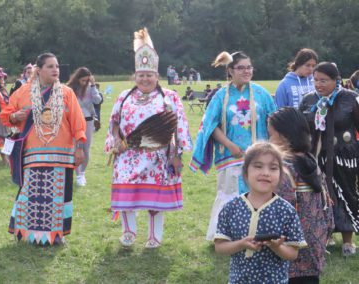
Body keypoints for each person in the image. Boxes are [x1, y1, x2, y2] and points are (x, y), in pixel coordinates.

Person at [104, 28, 192, 248]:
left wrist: (176, 155)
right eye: (141, 75)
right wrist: (115, 140)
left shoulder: (168, 97)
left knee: (155, 201)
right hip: (127, 155)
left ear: (157, 76)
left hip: (158, 157)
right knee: (125, 195)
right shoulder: (124, 97)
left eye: (149, 75)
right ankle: (128, 232)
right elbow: (114, 121)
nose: (145, 79)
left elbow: (178, 127)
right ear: (135, 76)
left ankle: (154, 236)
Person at [0, 52, 86, 245]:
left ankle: (56, 237)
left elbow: (78, 122)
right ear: (39, 70)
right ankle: (26, 233)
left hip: (62, 154)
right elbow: (6, 114)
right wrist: (15, 117)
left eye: (57, 66)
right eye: (50, 66)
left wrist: (79, 147)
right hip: (33, 153)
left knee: (58, 196)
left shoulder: (66, 92)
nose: (55, 69)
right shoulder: (23, 92)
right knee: (31, 194)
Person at [190, 51, 276, 241]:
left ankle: (259, 234)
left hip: (259, 155)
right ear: (230, 71)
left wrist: (271, 149)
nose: (246, 71)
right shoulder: (220, 96)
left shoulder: (261, 94)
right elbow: (210, 126)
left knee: (260, 192)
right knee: (230, 193)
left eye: (249, 67)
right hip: (230, 155)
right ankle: (225, 236)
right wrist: (231, 145)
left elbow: (274, 121)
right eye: (241, 68)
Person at [214, 142, 307, 284]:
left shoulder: (287, 211)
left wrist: (277, 247)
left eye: (273, 168)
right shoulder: (230, 208)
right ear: (245, 172)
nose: (265, 172)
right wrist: (241, 244)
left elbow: (293, 254)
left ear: (280, 175)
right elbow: (220, 247)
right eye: (258, 166)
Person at [299, 62, 359, 256]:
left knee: (345, 194)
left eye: (324, 80)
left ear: (336, 80)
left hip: (345, 157)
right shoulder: (308, 100)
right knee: (319, 195)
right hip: (316, 157)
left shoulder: (350, 99)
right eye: (315, 80)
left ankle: (348, 241)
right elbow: (300, 129)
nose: (319, 84)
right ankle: (325, 236)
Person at [268, 107, 334, 284]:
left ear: (283, 136)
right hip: (315, 240)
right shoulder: (310, 160)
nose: (269, 140)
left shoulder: (283, 168)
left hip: (291, 248)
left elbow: (280, 209)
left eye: (271, 134)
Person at [67, 67, 102, 186]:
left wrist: (93, 86)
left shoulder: (90, 88)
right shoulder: (70, 88)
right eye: (83, 80)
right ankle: (77, 174)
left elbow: (97, 101)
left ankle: (82, 173)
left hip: (88, 120)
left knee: (86, 149)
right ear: (77, 79)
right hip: (73, 121)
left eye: (87, 80)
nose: (85, 83)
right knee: (76, 148)